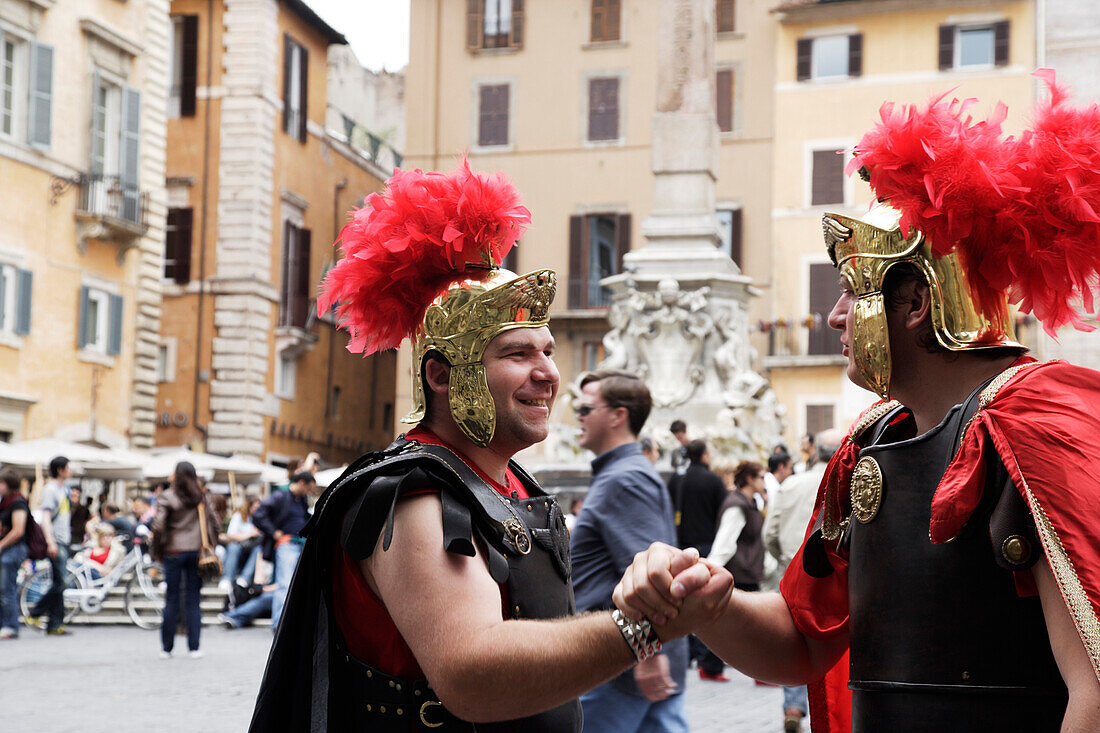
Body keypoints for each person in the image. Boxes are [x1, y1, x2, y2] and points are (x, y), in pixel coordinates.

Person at [614, 76, 1100, 732]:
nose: (836, 315)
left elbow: (1094, 690)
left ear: (917, 302)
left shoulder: (1039, 421)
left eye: (852, 290)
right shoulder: (871, 444)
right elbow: (801, 638)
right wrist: (706, 603)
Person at [249, 162, 690, 732]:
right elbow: (472, 675)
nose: (548, 374)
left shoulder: (511, 485)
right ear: (440, 376)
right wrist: (642, 627)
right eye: (517, 355)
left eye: (548, 351)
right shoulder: (413, 499)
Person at [570, 369, 689, 732]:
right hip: (628, 663)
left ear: (617, 415)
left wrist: (648, 656)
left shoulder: (626, 478)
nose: (577, 415)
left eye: (586, 408)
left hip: (621, 668)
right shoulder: (625, 472)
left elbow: (651, 574)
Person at [761, 429, 843, 732]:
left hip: (794, 576)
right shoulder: (850, 479)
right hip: (838, 579)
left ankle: (794, 705)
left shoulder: (791, 484)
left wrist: (785, 559)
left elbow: (769, 534)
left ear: (816, 451)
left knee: (796, 643)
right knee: (834, 648)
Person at [665, 439, 728, 683]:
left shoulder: (677, 479)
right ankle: (707, 658)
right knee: (705, 600)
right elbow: (722, 510)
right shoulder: (712, 480)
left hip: (680, 545)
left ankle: (688, 651)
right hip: (706, 545)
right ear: (703, 455)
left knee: (680, 597)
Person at [152, 460, 220, 659]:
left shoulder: (167, 496)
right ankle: (194, 647)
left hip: (173, 551)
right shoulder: (202, 497)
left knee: (171, 599)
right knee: (193, 599)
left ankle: (167, 648)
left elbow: (158, 526)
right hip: (197, 552)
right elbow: (215, 522)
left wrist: (157, 549)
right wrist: (211, 546)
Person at [250, 472, 317, 629]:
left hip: (300, 545)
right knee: (285, 585)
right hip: (287, 544)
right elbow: (258, 514)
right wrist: (274, 532)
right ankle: (279, 625)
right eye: (309, 488)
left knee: (295, 585)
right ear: (301, 483)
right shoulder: (280, 496)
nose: (309, 492)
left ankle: (288, 623)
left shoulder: (300, 500)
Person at [28, 455, 73, 635]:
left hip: (63, 540)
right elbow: (45, 517)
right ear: (60, 470)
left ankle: (55, 624)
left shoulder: (64, 489)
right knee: (63, 582)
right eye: (68, 467)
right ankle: (35, 611)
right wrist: (50, 541)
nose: (71, 471)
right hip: (57, 541)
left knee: (58, 582)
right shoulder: (50, 489)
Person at [0, 469, 29, 639]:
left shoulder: (18, 502)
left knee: (7, 588)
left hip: (13, 549)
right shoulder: (5, 502)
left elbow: (18, 530)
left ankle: (10, 625)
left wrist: (2, 545)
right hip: (7, 549)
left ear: (8, 484)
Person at [220, 497, 262, 590]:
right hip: (237, 549)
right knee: (233, 547)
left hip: (252, 551)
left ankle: (244, 578)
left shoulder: (262, 519)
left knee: (259, 550)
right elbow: (231, 535)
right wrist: (251, 534)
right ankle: (227, 579)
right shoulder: (239, 516)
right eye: (255, 508)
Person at [69, 485, 91, 550]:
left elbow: (86, 522)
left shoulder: (83, 509)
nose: (74, 498)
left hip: (78, 536)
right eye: (73, 496)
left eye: (76, 496)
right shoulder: (65, 508)